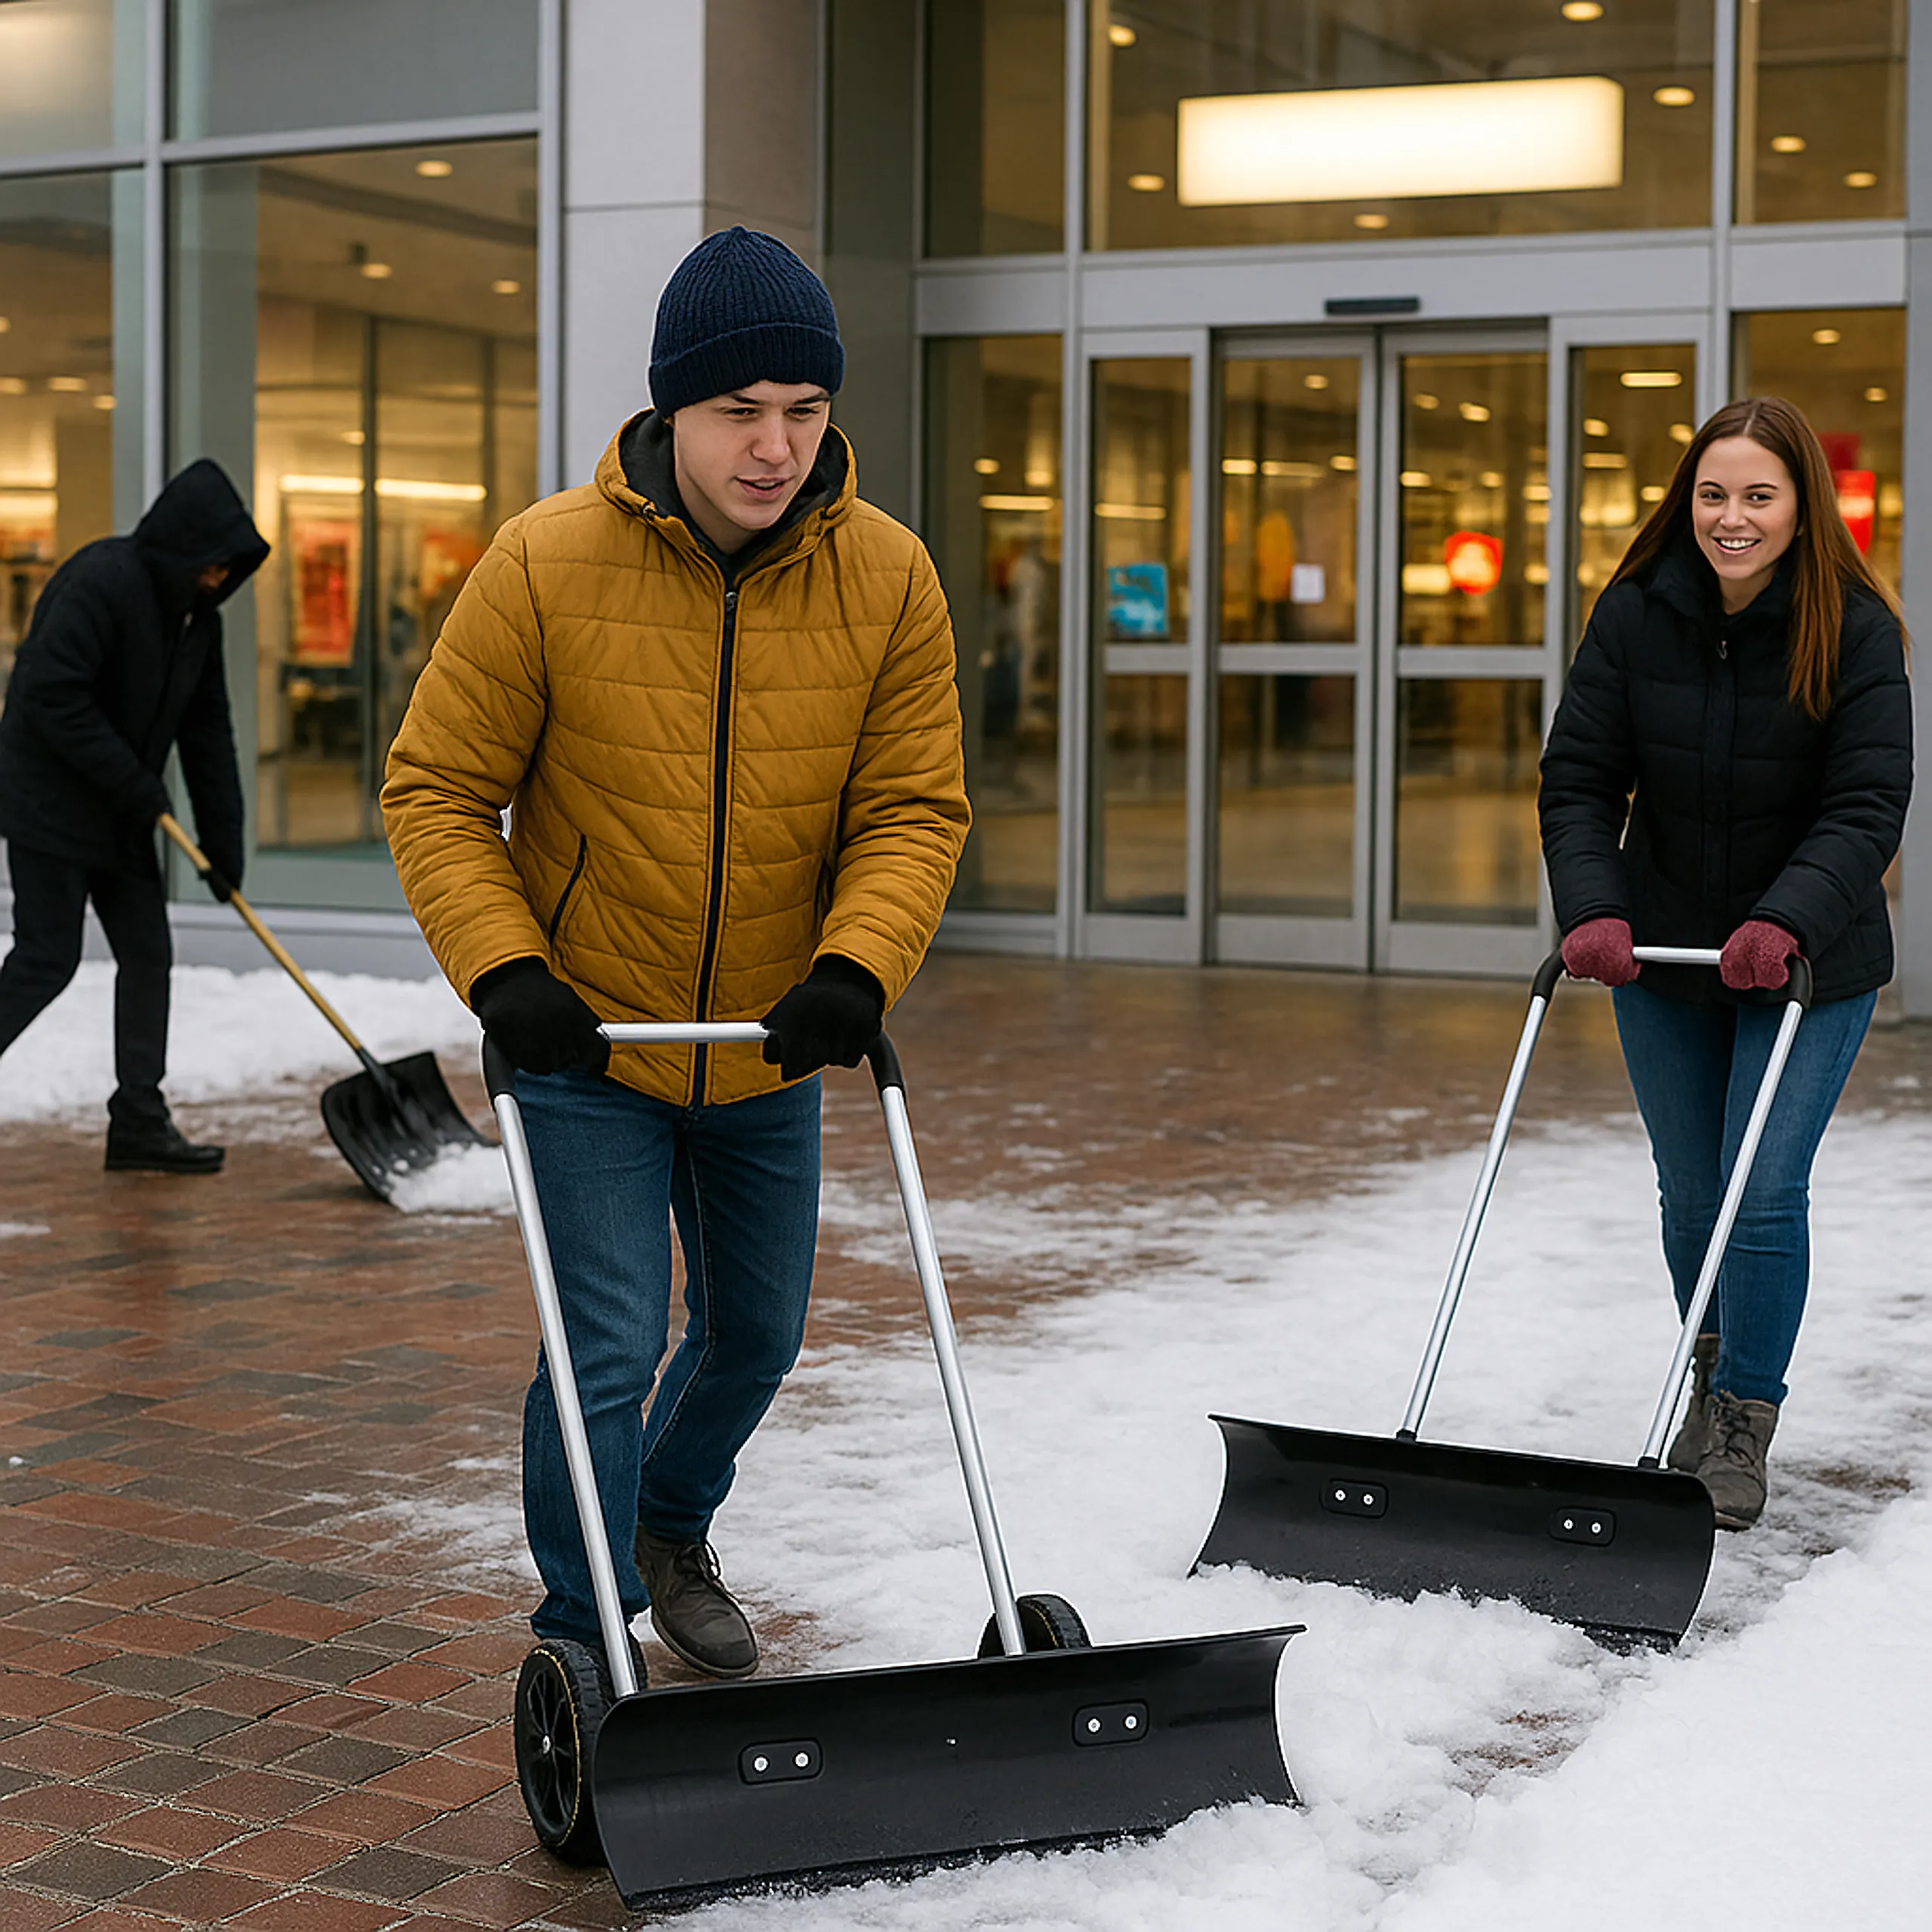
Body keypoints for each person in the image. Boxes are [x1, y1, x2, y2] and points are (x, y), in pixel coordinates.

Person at [381, 227, 970, 1677]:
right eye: (738, 411)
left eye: (805, 412)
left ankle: (668, 1520)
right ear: (670, 410)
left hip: (770, 1040)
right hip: (584, 1038)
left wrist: (856, 968)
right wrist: (510, 977)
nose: (774, 448)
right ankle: (586, 1639)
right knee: (603, 1347)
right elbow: (438, 792)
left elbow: (911, 807)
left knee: (757, 1337)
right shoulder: (544, 563)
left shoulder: (888, 577)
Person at [1540, 395, 1911, 1531]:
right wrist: (1596, 905)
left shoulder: (1850, 626)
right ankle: (1707, 1381)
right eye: (1714, 493)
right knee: (1691, 1189)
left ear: (1803, 507)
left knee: (1760, 1193)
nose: (1732, 517)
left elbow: (1867, 802)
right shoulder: (1637, 611)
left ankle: (1747, 1413)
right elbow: (1580, 778)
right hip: (1665, 947)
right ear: (1684, 501)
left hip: (1806, 960)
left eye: (1759, 495)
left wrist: (1786, 920)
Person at [0, 459, 267, 1174]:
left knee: (148, 955)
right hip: (48, 809)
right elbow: (49, 697)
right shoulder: (102, 581)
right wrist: (141, 788)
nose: (218, 581)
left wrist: (224, 843)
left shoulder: (195, 624)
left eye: (227, 570)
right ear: (180, 547)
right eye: (210, 566)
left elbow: (209, 734)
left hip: (120, 817)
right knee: (44, 961)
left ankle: (139, 1120)